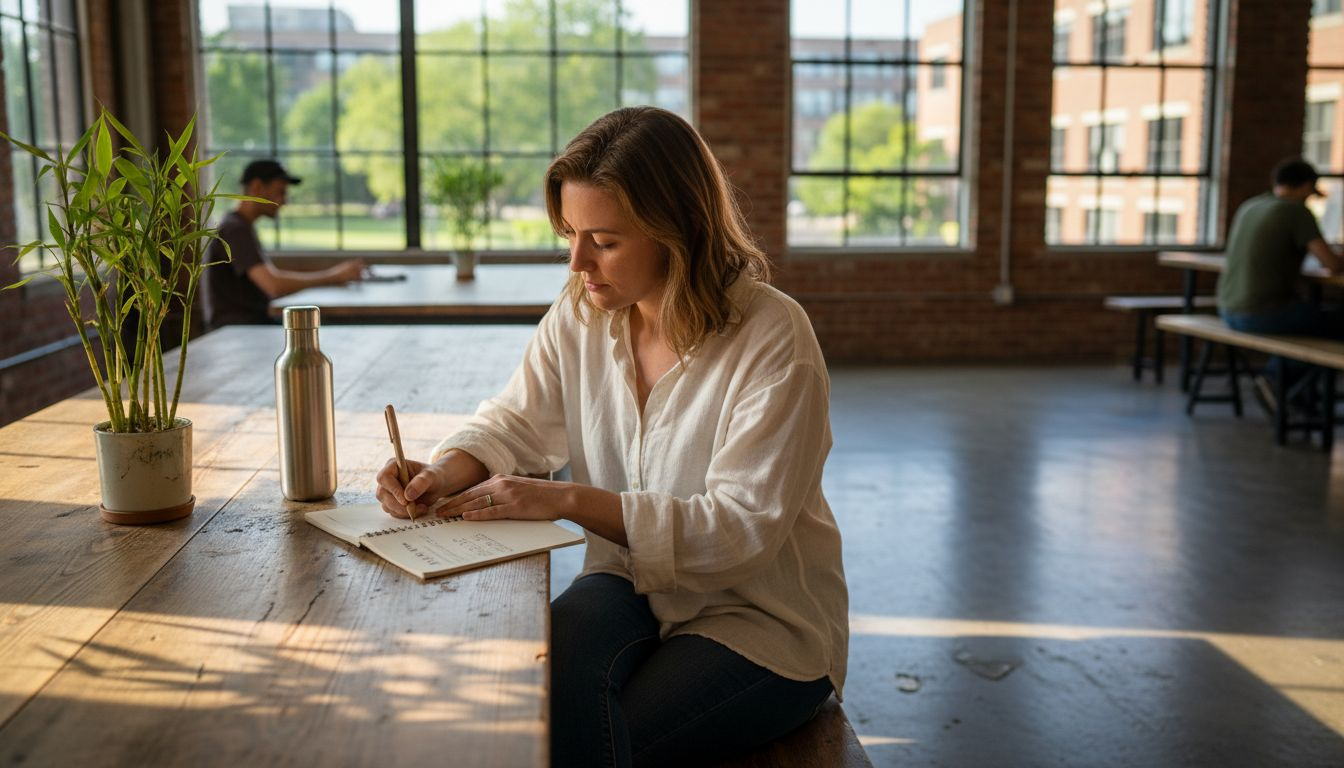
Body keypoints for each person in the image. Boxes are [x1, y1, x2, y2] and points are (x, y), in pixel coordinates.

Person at [374, 106, 848, 767]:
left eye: (604, 239)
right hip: (628, 581)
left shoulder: (774, 337)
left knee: (594, 732)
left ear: (676, 230)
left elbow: (741, 530)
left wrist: (567, 500)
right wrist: (444, 471)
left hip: (761, 624)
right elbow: (517, 419)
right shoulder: (582, 312)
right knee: (544, 684)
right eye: (569, 233)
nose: (576, 262)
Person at [201, 159, 365, 328]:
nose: (284, 201)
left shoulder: (239, 226)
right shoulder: (235, 229)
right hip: (240, 330)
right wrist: (336, 276)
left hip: (250, 325)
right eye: (280, 192)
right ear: (257, 187)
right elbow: (273, 285)